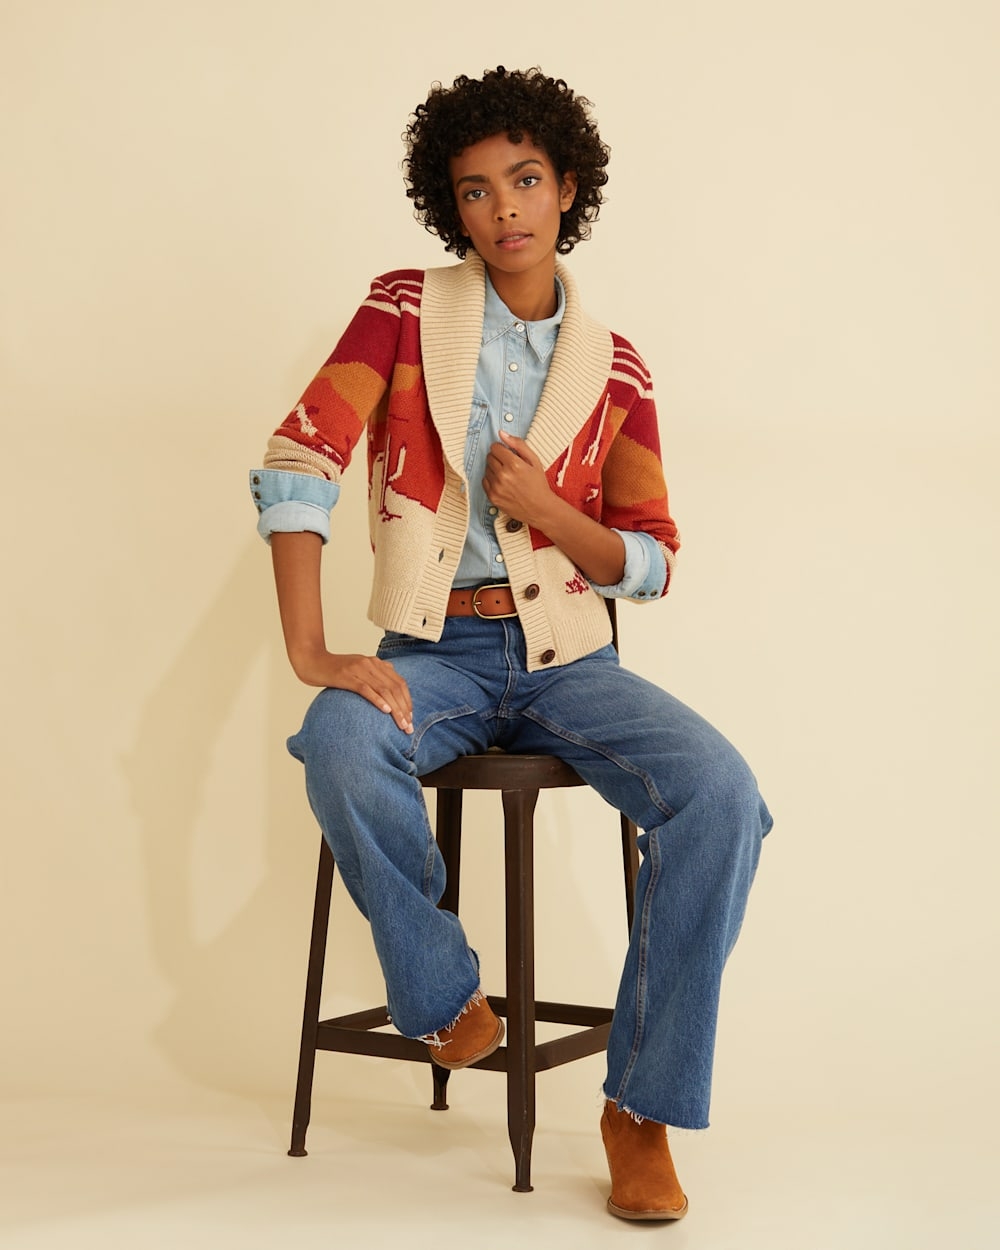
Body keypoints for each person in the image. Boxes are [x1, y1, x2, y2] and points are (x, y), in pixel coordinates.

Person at [250, 65, 772, 1221]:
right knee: (337, 739)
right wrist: (313, 651)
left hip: (571, 662)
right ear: (451, 206)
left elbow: (651, 560)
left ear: (567, 185)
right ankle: (444, 997)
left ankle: (640, 1106)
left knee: (722, 793)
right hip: (430, 651)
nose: (503, 209)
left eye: (525, 180)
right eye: (475, 189)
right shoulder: (402, 312)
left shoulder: (616, 366)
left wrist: (547, 511)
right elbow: (297, 461)